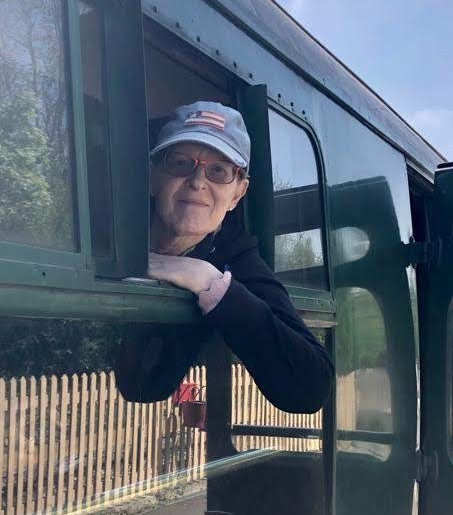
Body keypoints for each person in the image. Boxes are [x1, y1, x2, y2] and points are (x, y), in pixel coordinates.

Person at [116, 101, 333, 413]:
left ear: (237, 193)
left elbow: (310, 388)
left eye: (218, 171)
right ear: (153, 175)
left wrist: (209, 281)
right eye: (180, 163)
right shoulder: (111, 227)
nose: (198, 181)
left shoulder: (236, 257)